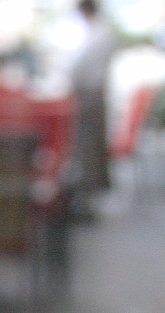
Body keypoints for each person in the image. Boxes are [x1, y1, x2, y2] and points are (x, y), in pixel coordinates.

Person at [67, 0, 118, 221]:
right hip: (91, 94)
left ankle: (86, 201)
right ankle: (86, 199)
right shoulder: (100, 32)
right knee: (89, 147)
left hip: (89, 95)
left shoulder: (99, 33)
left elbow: (77, 66)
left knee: (87, 147)